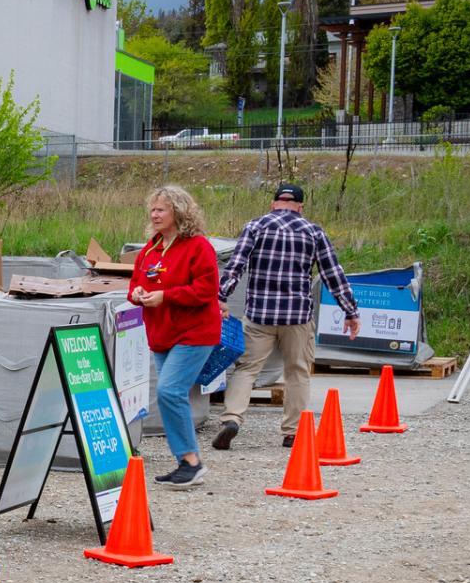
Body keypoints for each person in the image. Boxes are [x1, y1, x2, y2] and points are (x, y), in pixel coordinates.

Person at [213, 183, 360, 449]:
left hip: (259, 315)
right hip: (297, 317)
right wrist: (350, 311)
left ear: (273, 203)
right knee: (297, 371)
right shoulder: (313, 231)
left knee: (247, 369)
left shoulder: (255, 226)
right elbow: (333, 276)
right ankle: (293, 432)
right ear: (301, 207)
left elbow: (235, 265)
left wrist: (221, 296)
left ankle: (232, 419)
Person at [128, 185, 222, 488]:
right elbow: (134, 284)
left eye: (161, 210)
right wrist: (138, 293)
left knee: (169, 391)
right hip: (162, 332)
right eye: (152, 209)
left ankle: (190, 461)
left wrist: (165, 297)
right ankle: (187, 460)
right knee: (170, 394)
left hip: (195, 333)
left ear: (178, 212)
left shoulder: (198, 246)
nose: (154, 215)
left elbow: (206, 290)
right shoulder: (151, 248)